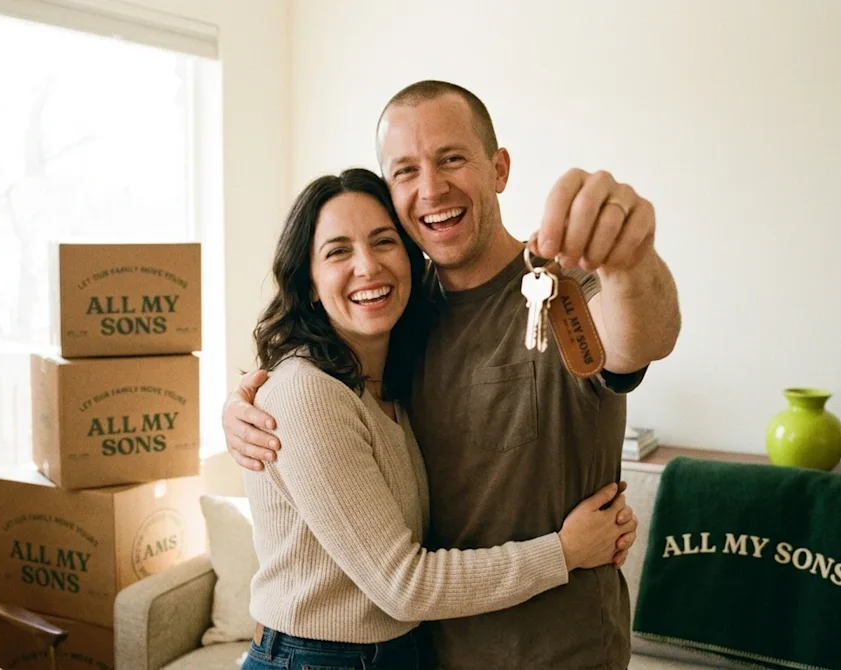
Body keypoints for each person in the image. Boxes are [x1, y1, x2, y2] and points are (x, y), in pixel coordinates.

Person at [227, 81, 681, 669]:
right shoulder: (401, 319)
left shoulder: (567, 288)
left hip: (562, 656)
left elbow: (641, 337)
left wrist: (632, 261)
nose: (432, 187)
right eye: (406, 171)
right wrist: (248, 406)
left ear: (499, 168)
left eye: (451, 158)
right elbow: (318, 393)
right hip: (428, 653)